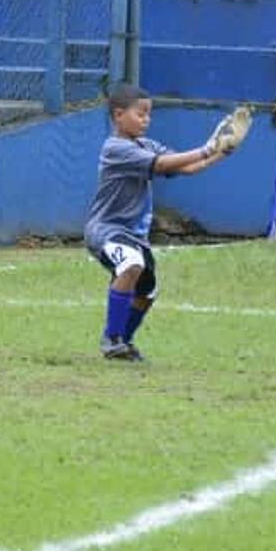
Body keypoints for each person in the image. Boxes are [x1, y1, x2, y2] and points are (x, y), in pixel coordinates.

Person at [84, 83, 238, 361]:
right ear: (119, 115)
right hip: (105, 230)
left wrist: (220, 153)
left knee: (147, 292)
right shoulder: (115, 148)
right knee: (131, 264)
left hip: (133, 235)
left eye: (149, 114)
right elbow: (162, 165)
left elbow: (187, 166)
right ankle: (112, 339)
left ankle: (124, 343)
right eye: (140, 114)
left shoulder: (146, 145)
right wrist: (207, 148)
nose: (146, 119)